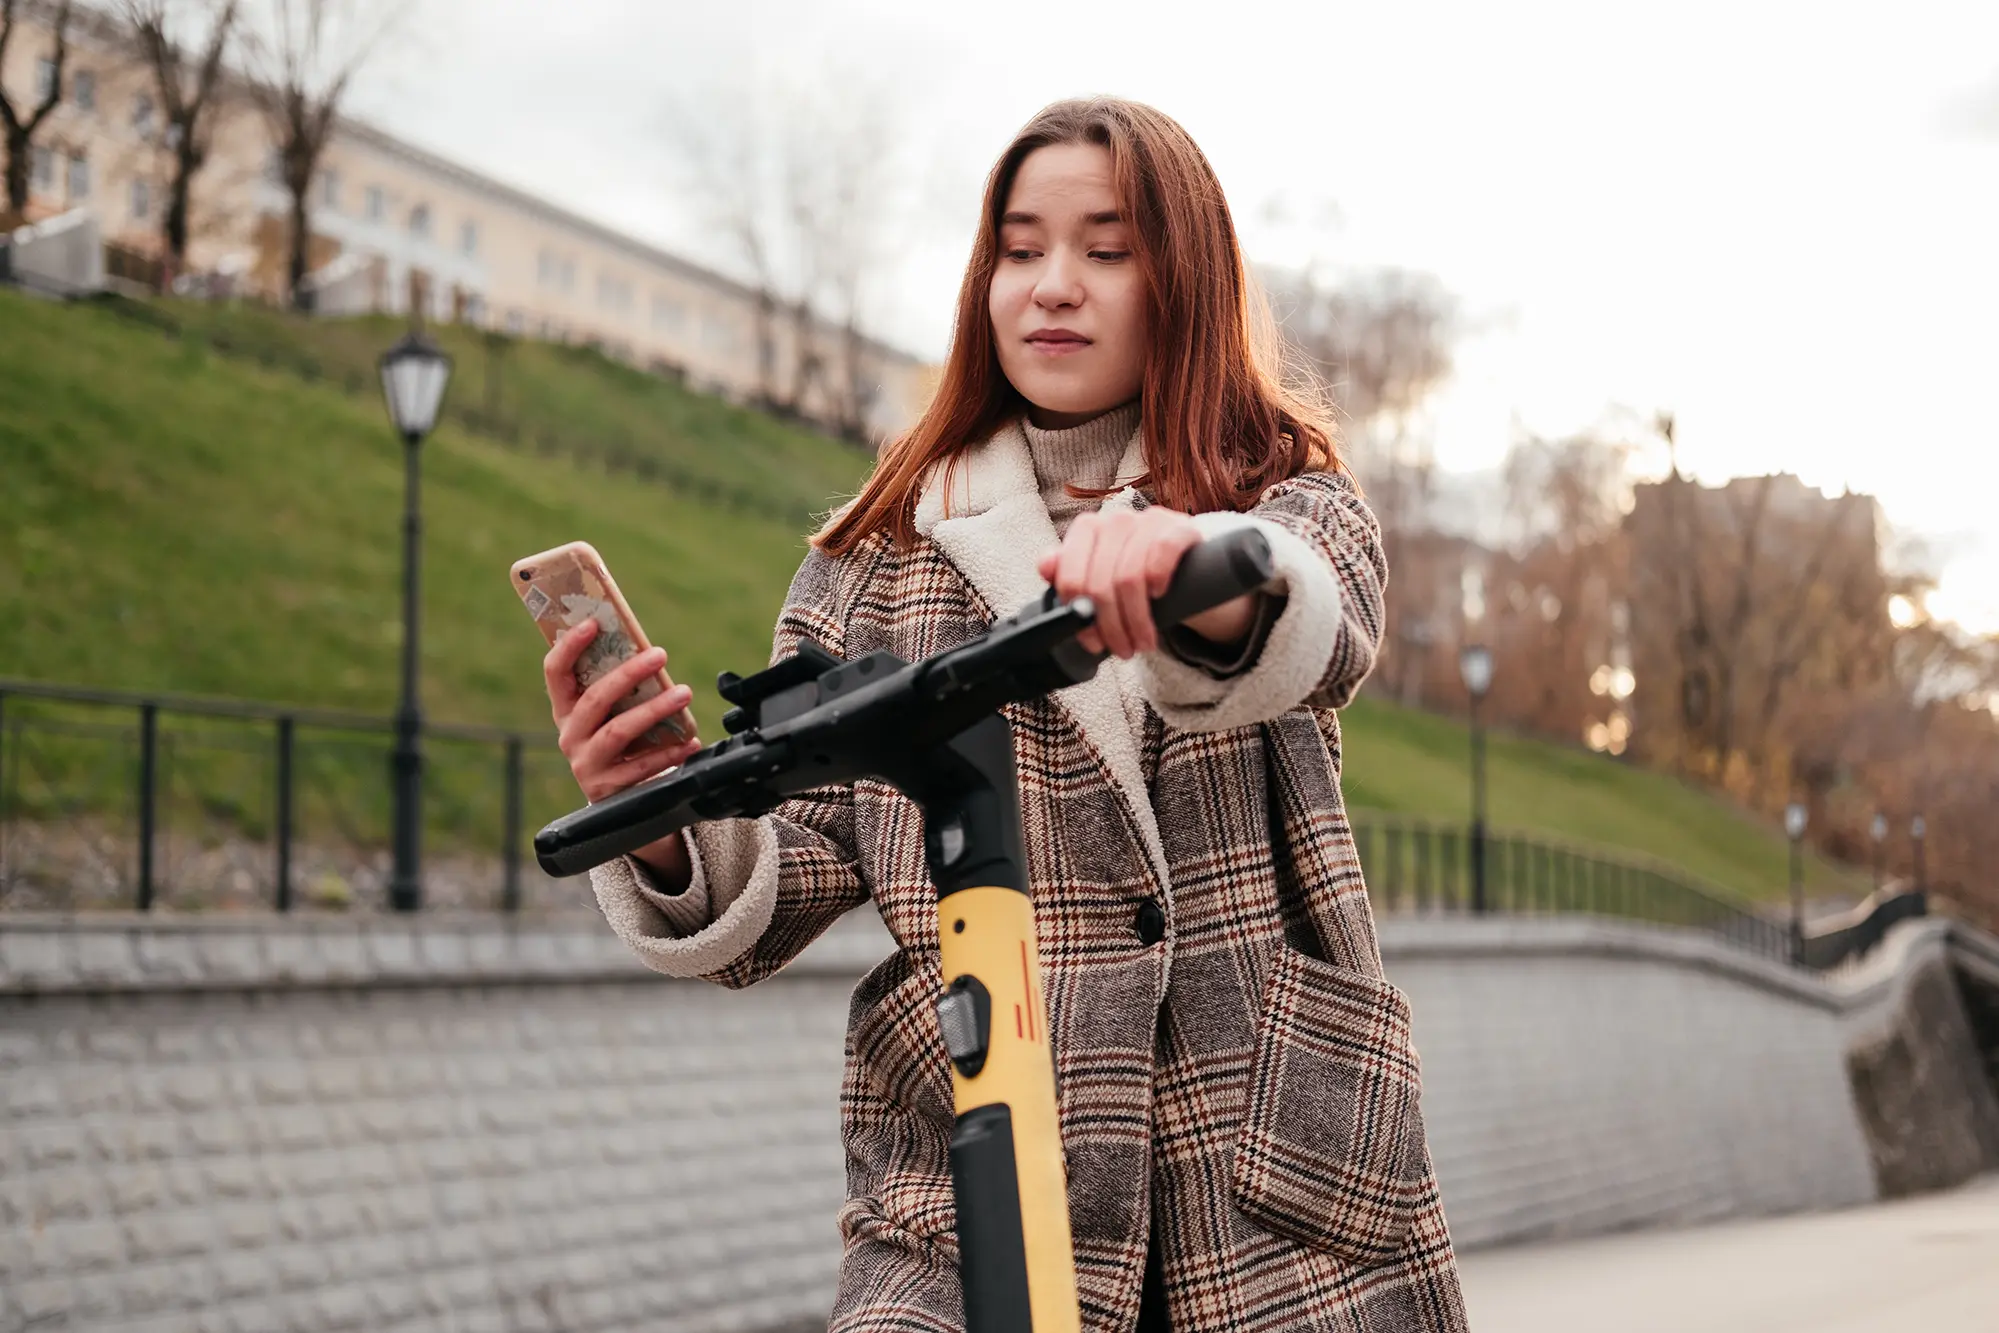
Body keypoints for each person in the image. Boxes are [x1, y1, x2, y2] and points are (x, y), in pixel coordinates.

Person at [542, 96, 1467, 1333]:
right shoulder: (876, 556)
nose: (1053, 286)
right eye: (1021, 249)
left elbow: (1309, 615)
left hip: (1273, 1165)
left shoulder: (1278, 495)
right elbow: (803, 856)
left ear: (1180, 275)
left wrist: (1186, 572)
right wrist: (650, 814)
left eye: (1106, 247)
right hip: (967, 1171)